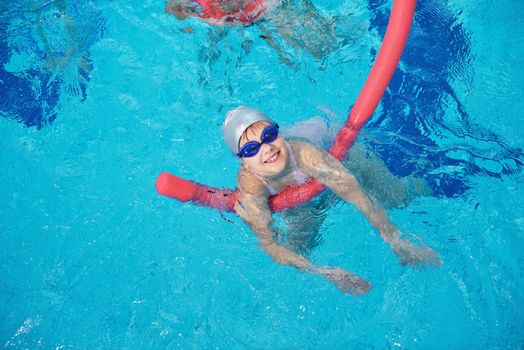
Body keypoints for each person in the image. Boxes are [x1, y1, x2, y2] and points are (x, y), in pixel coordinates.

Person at [223, 106, 440, 295]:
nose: (267, 147)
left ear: (278, 132)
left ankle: (423, 182)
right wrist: (326, 273)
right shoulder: (251, 185)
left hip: (345, 161)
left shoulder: (303, 152)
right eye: (251, 149)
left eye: (269, 135)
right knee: (299, 248)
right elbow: (270, 245)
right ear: (243, 161)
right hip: (300, 201)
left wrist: (396, 240)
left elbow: (354, 193)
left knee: (398, 199)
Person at [165, 0, 336, 62]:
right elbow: (172, 8)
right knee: (209, 68)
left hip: (268, 8)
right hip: (222, 21)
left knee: (321, 50)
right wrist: (192, 20)